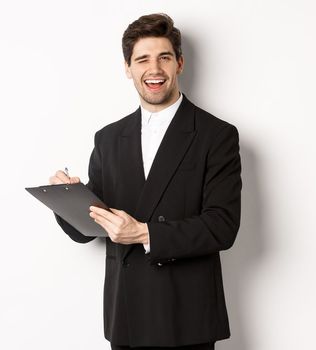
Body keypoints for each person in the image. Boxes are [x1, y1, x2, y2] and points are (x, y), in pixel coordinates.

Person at [48, 13, 241, 350]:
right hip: (127, 315)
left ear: (179, 64)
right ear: (128, 68)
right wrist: (67, 200)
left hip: (187, 318)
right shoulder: (108, 138)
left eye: (164, 57)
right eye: (142, 59)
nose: (154, 69)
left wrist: (144, 233)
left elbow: (222, 226)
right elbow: (93, 228)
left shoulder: (216, 135)